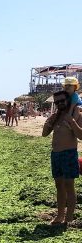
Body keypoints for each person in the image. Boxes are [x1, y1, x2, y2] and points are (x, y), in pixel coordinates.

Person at [42, 90, 82, 224]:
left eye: (62, 101)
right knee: (59, 186)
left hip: (69, 153)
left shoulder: (76, 114)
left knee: (69, 185)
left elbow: (81, 136)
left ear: (68, 100)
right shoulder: (55, 116)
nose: (60, 103)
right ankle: (60, 215)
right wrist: (48, 123)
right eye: (57, 102)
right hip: (55, 154)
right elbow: (44, 134)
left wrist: (72, 122)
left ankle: (69, 217)